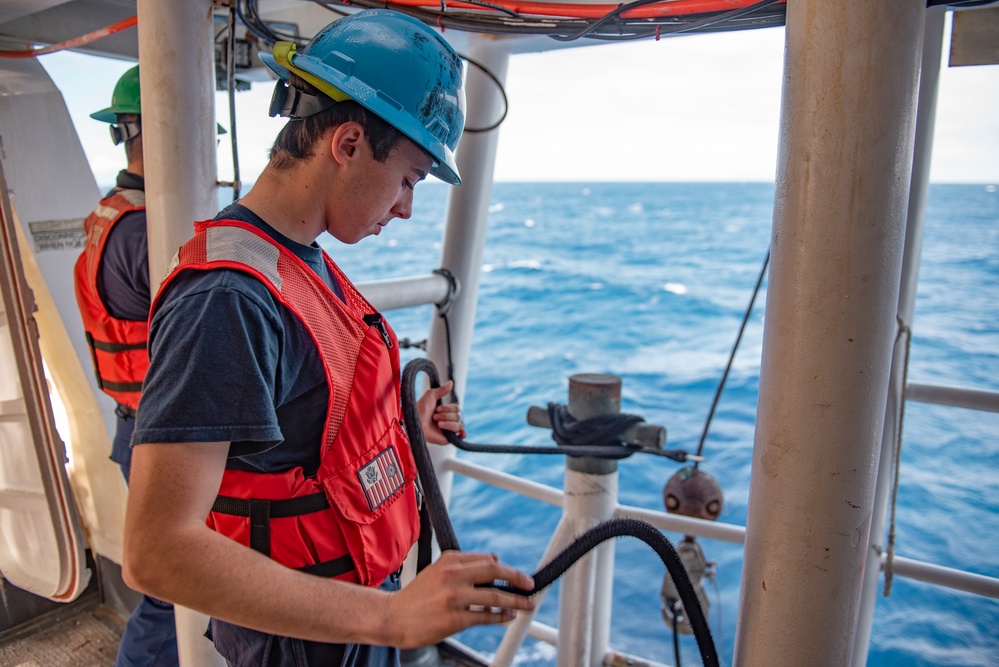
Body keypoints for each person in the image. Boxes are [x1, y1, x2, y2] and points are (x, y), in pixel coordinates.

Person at [122, 9, 535, 667]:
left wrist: (402, 424)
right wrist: (391, 616)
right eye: (407, 179)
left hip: (345, 622)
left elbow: (305, 429)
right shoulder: (226, 299)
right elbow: (156, 549)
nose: (405, 207)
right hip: (302, 641)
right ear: (346, 143)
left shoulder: (296, 257)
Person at [73, 66, 179, 667]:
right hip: (156, 438)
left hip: (132, 426)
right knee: (170, 596)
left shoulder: (108, 216)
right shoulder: (143, 234)